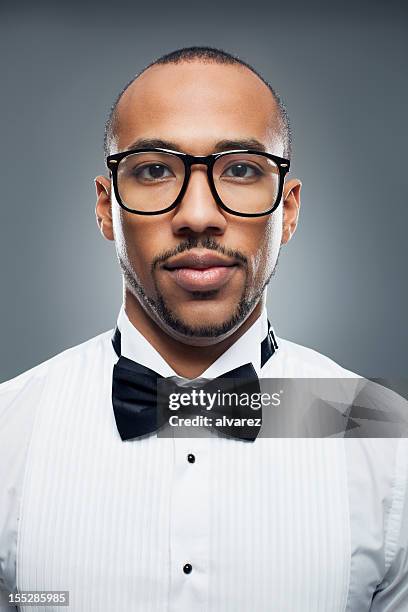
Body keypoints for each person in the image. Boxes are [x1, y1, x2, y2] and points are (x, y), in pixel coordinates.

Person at [0, 46, 407, 611]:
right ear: (104, 208)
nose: (197, 214)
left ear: (287, 210)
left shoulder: (386, 438)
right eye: (154, 170)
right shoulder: (8, 430)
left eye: (240, 168)